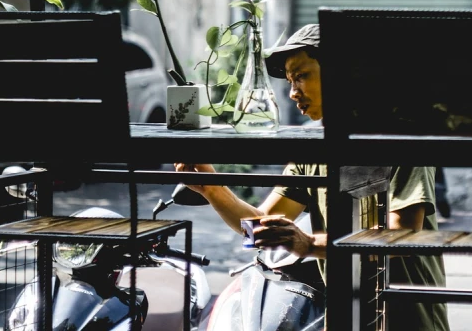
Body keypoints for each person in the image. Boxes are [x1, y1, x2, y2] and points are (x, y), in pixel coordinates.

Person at [175, 23, 450, 331]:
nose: (293, 92)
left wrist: (307, 243)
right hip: (348, 319)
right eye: (291, 80)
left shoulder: (397, 138)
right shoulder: (314, 149)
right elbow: (260, 227)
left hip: (408, 320)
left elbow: (400, 238)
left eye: (302, 76)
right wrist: (213, 190)